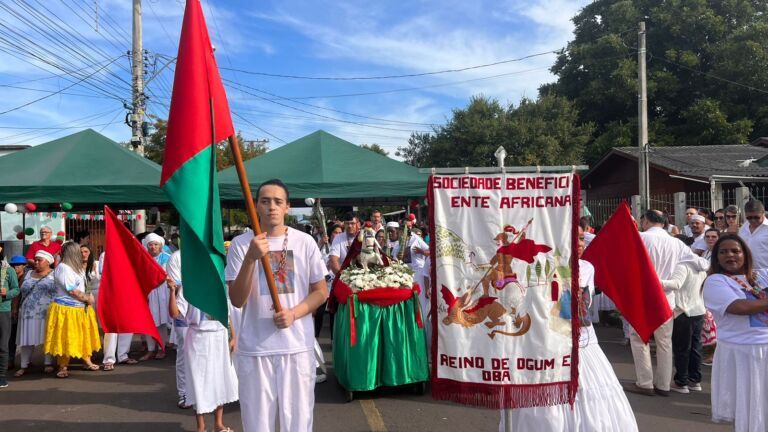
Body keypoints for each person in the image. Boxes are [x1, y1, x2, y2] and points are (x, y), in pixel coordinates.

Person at [501, 227, 638, 431]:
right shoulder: (539, 266)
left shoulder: (587, 267)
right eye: (574, 238)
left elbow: (586, 305)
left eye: (582, 238)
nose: (580, 243)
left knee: (591, 397)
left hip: (583, 342)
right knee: (548, 404)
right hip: (547, 343)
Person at [226, 179, 328, 432]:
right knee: (257, 424)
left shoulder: (304, 242)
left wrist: (294, 314)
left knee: (298, 422)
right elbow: (237, 299)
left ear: (287, 207)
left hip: (296, 347)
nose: (271, 206)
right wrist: (251, 258)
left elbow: (320, 292)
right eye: (265, 201)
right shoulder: (241, 244)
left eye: (277, 201)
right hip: (255, 349)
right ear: (256, 206)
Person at [625, 209, 708, 397]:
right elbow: (702, 263)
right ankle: (663, 384)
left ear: (646, 221)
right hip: (666, 299)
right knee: (664, 343)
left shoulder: (640, 238)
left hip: (642, 297)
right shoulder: (676, 243)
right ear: (664, 223)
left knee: (639, 339)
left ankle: (645, 382)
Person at [703, 234, 768, 431]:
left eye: (735, 251)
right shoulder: (716, 281)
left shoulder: (761, 275)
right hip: (741, 353)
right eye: (723, 252)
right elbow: (739, 307)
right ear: (716, 258)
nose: (730, 255)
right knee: (749, 409)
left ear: (745, 254)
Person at [168, 275, 238, 432]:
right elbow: (175, 313)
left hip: (220, 337)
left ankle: (218, 424)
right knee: (198, 382)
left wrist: (232, 336)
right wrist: (172, 292)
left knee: (220, 380)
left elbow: (227, 313)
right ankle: (201, 427)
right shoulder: (189, 286)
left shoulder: (220, 284)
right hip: (198, 338)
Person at [44, 241, 101, 378]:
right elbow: (72, 290)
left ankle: (87, 360)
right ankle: (63, 366)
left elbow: (85, 284)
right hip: (67, 309)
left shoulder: (77, 267)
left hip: (80, 308)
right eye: (78, 252)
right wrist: (87, 298)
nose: (81, 254)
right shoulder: (63, 268)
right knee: (66, 337)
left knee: (84, 335)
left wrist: (88, 297)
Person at [660, 256, 708, 394]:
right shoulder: (702, 267)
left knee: (682, 349)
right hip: (699, 310)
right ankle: (695, 380)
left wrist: (656, 280)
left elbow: (676, 284)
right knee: (695, 347)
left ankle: (681, 382)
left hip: (683, 311)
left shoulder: (683, 265)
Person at [14, 251, 56, 377]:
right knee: (26, 339)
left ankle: (48, 363)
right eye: (35, 260)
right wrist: (15, 308)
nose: (36, 262)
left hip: (46, 313)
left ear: (48, 262)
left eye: (39, 260)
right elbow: (18, 291)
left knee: (46, 337)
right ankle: (24, 365)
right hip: (27, 313)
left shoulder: (55, 275)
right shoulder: (27, 274)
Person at [140, 233, 172, 361]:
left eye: (156, 244)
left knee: (162, 322)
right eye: (150, 245)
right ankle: (150, 349)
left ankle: (161, 348)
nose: (153, 247)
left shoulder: (167, 258)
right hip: (148, 291)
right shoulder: (143, 258)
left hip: (163, 292)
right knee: (149, 321)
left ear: (160, 246)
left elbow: (167, 275)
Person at [166, 250, 191, 409]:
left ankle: (202, 391)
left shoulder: (209, 252)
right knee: (184, 353)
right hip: (184, 310)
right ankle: (184, 392)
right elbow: (176, 285)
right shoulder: (176, 257)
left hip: (206, 313)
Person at [0, 247, 20, 388]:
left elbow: (16, 289)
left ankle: (1, 376)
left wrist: (6, 293)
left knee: (2, 346)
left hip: (3, 311)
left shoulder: (8, 270)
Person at [8, 255, 27, 371]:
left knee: (25, 336)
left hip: (24, 310)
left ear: (24, 266)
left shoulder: (27, 277)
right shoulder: (9, 276)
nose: (16, 267)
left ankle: (26, 360)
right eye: (14, 265)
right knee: (11, 336)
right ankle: (10, 360)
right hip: (11, 310)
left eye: (18, 265)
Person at [738, 199, 768, 270]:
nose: (753, 220)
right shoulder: (743, 228)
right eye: (749, 218)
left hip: (765, 271)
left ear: (763, 213)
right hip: (746, 271)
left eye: (756, 217)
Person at [328, 212, 360, 276]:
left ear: (358, 224)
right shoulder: (338, 238)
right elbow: (333, 261)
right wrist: (342, 277)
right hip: (343, 274)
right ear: (344, 225)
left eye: (352, 223)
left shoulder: (364, 236)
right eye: (347, 223)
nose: (349, 226)